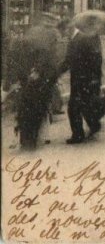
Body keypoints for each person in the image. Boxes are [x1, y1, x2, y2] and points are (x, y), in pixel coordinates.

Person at [3, 13, 62, 150]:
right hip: (36, 79)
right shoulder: (38, 38)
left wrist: (39, 72)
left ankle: (32, 138)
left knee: (35, 108)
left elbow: (50, 59)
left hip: (40, 78)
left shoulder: (42, 36)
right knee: (32, 108)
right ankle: (29, 138)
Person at [61, 24, 104, 144]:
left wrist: (95, 77)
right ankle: (94, 125)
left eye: (63, 31)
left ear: (68, 29)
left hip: (86, 79)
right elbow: (68, 61)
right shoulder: (75, 39)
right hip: (80, 79)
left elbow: (96, 58)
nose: (63, 35)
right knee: (84, 104)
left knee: (73, 107)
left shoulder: (83, 39)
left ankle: (78, 135)